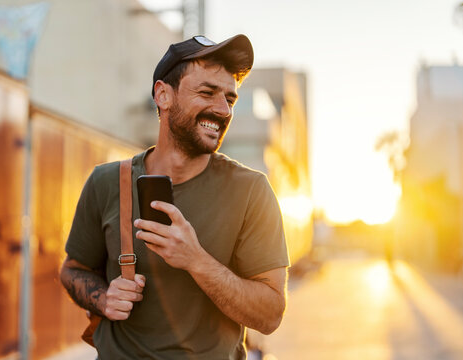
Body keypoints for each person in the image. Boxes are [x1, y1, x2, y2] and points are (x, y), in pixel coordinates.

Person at [60, 34, 290, 359]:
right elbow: (72, 269)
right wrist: (103, 298)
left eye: (230, 99)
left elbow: (270, 315)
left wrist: (196, 260)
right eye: (207, 92)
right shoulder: (107, 181)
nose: (223, 109)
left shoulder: (252, 190)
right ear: (163, 95)